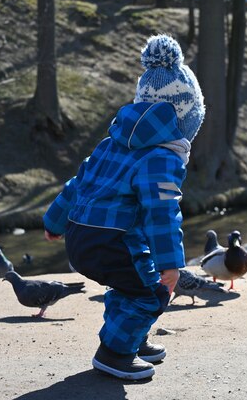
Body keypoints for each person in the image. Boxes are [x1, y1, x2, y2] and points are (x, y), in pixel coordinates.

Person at [42, 34, 204, 380]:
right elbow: (162, 212)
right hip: (110, 241)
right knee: (152, 291)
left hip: (79, 236)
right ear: (185, 121)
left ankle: (131, 339)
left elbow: (78, 181)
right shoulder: (162, 157)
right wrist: (171, 265)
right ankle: (114, 353)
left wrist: (54, 221)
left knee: (131, 283)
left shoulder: (110, 143)